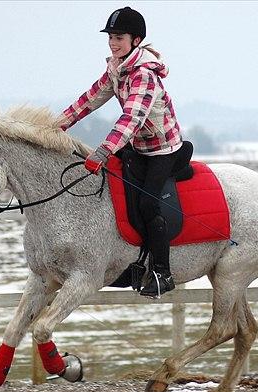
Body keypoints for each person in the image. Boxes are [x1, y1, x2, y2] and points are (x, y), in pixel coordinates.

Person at [57, 6, 183, 297]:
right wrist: (55, 127)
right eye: (111, 37)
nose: (113, 43)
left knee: (149, 205)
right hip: (136, 145)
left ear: (136, 40)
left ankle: (163, 272)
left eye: (119, 37)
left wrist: (102, 151)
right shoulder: (116, 68)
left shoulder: (144, 75)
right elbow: (89, 100)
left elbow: (131, 118)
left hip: (162, 149)